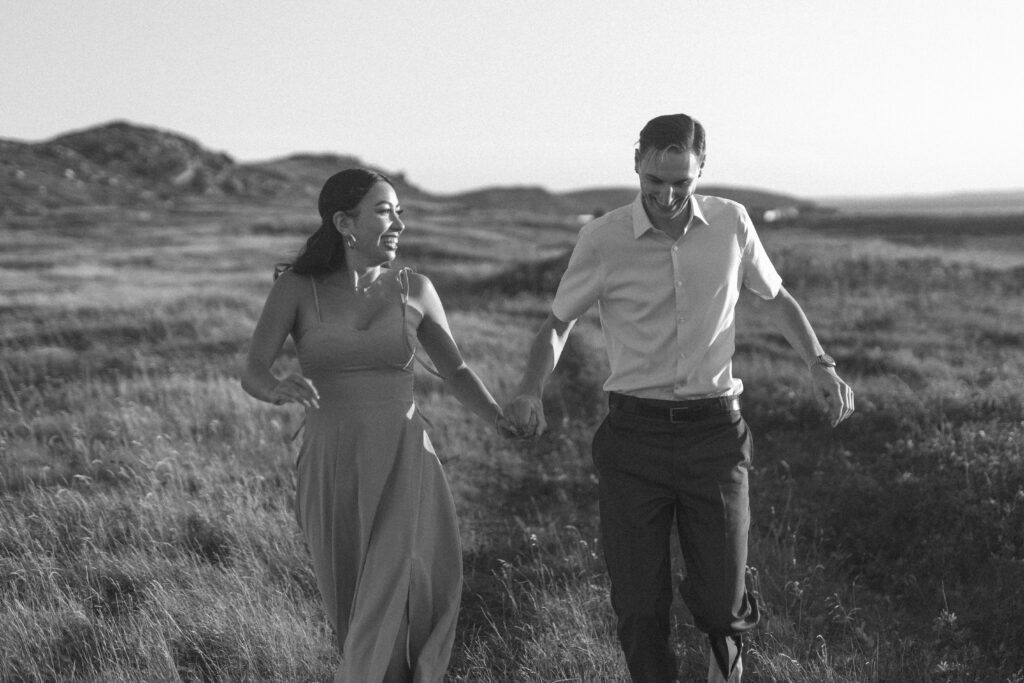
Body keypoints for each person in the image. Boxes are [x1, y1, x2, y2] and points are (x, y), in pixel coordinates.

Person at [505, 114, 854, 682]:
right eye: (653, 181)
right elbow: (556, 323)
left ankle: (727, 647)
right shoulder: (602, 239)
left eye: (681, 183)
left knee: (721, 603)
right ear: (636, 162)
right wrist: (529, 388)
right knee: (641, 604)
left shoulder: (732, 223)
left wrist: (820, 364)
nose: (666, 196)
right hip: (632, 440)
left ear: (701, 169)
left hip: (715, 435)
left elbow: (778, 295)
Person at [242, 168, 509, 682]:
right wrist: (275, 388)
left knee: (405, 592)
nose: (398, 224)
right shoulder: (297, 289)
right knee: (354, 609)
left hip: (405, 459)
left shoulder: (416, 288)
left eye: (399, 212)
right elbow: (253, 368)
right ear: (345, 222)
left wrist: (498, 419)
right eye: (385, 212)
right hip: (331, 463)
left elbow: (455, 369)